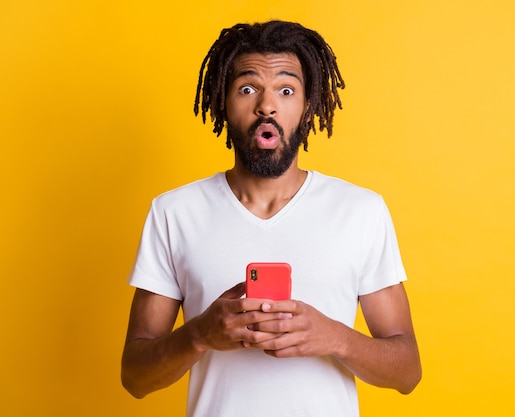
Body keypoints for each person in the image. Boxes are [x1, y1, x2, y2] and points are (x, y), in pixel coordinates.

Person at [121, 20, 421, 417]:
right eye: (248, 89)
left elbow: (407, 372)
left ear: (307, 105)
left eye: (286, 89)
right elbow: (135, 378)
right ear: (223, 102)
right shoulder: (174, 212)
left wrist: (336, 338)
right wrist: (199, 335)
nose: (267, 105)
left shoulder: (360, 211)